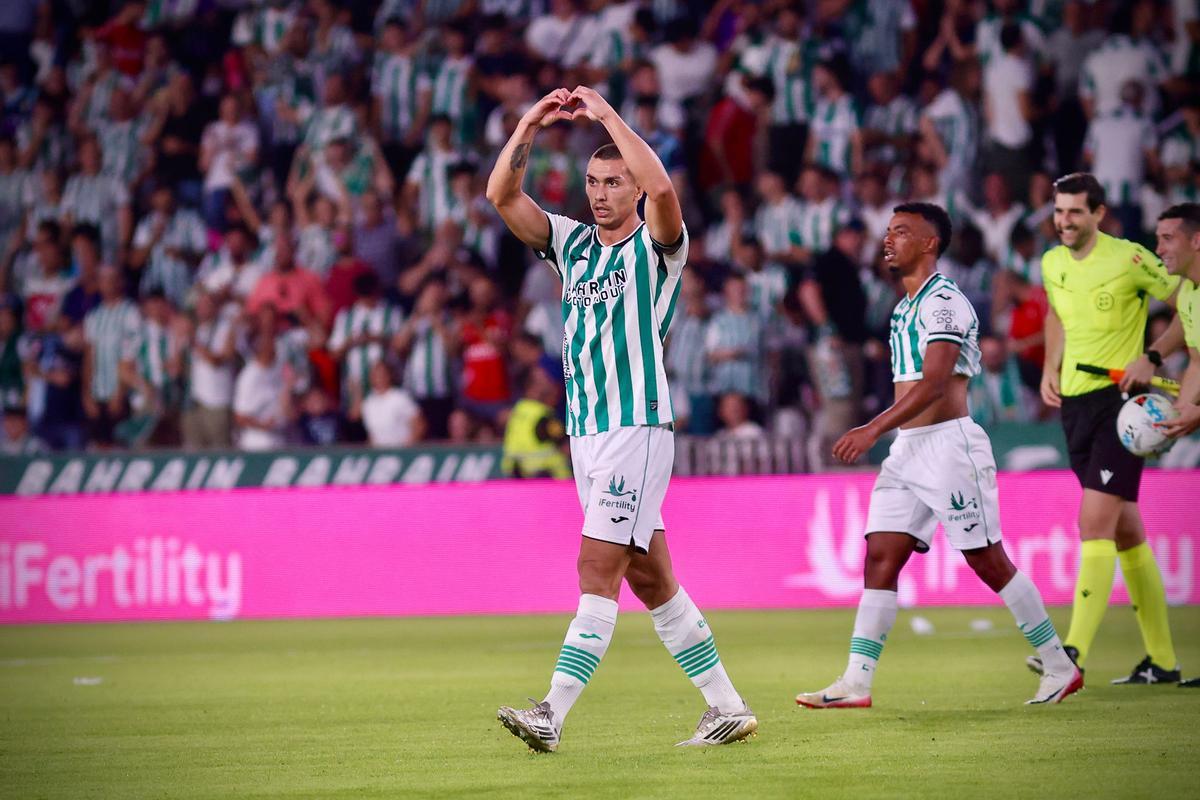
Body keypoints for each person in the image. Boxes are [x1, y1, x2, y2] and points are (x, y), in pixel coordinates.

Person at [486, 85, 755, 752]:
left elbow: (664, 192)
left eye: (613, 182)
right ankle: (726, 707)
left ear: (633, 186)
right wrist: (529, 123)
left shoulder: (660, 247)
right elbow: (502, 196)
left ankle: (551, 713)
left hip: (637, 424)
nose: (601, 193)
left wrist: (606, 114)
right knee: (652, 580)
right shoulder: (572, 244)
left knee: (595, 569)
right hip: (587, 432)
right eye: (592, 181)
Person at [796, 203, 1082, 709]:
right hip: (908, 449)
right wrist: (889, 434)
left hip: (950, 446)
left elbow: (933, 384)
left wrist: (871, 428)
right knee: (880, 555)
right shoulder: (903, 308)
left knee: (986, 559)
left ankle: (1059, 665)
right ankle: (856, 682)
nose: (889, 240)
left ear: (930, 243)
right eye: (888, 231)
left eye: (902, 232)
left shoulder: (944, 301)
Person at [1036, 173, 1181, 685]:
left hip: (1120, 406)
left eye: (1075, 211)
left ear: (1098, 213)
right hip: (1073, 405)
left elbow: (1188, 299)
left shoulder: (1130, 258)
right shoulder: (1052, 262)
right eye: (1059, 211)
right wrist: (1050, 365)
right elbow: (1057, 315)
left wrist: (1153, 356)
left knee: (1093, 523)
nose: (1064, 221)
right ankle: (1163, 662)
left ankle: (1070, 654)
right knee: (1126, 532)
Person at [1152, 204, 1200, 448]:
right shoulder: (1188, 293)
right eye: (1158, 240)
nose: (1159, 250)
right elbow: (1198, 363)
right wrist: (1179, 413)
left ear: (1196, 240)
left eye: (1168, 238)